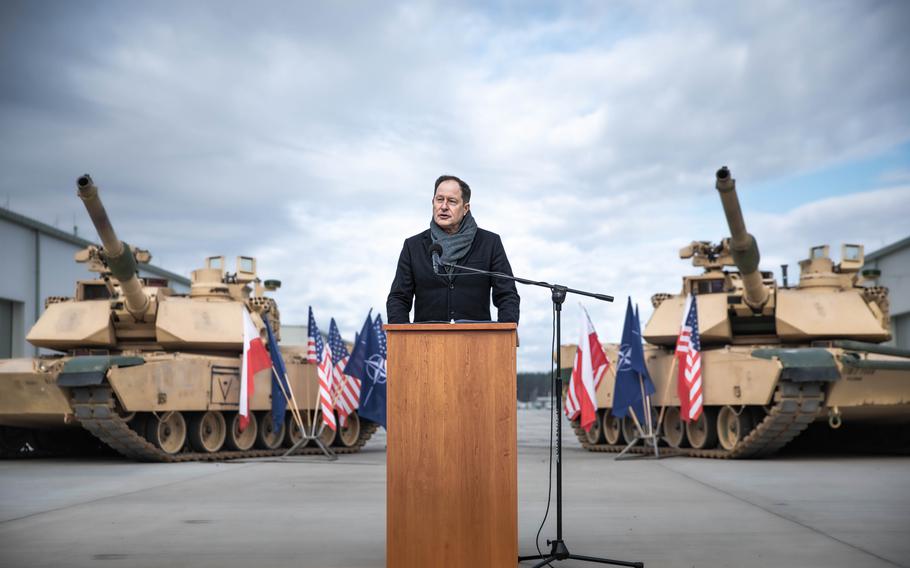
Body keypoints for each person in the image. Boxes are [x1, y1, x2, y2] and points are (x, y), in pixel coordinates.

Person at [386, 175, 520, 324]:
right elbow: (398, 298)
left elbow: (507, 295)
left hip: (477, 343)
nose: (443, 206)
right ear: (433, 202)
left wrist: (505, 334)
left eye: (452, 201)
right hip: (425, 343)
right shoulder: (413, 246)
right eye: (439, 199)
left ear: (465, 208)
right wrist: (401, 338)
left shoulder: (490, 243)